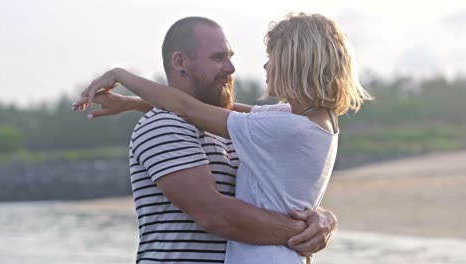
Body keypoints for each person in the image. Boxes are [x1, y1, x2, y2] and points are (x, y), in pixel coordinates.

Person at [74, 15, 348, 263]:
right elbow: (215, 214)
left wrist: (323, 218)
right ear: (180, 62)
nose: (231, 68)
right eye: (218, 58)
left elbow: (276, 193)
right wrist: (301, 229)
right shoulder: (164, 124)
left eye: (230, 56)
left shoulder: (251, 131)